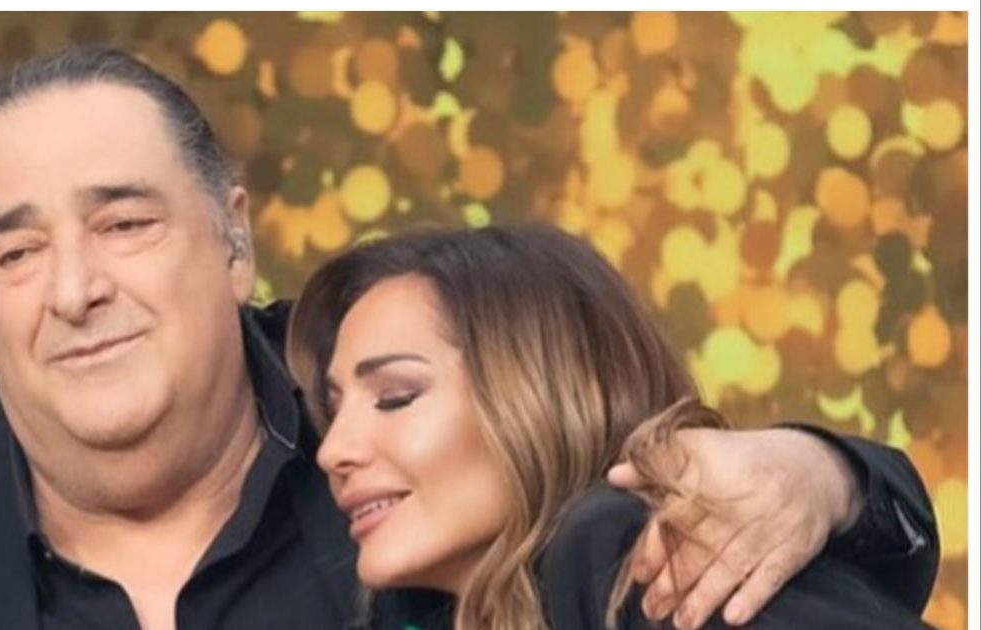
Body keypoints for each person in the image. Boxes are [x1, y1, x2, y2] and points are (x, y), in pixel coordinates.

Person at [0, 46, 937, 630]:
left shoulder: (405, 437)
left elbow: (643, 472)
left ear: (232, 240)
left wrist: (823, 473)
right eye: (16, 252)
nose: (75, 288)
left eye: (125, 223)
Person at [286, 225, 933, 630]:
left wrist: (828, 474)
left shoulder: (631, 553)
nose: (334, 450)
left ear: (540, 394)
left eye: (395, 397)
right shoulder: (421, 611)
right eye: (335, 410)